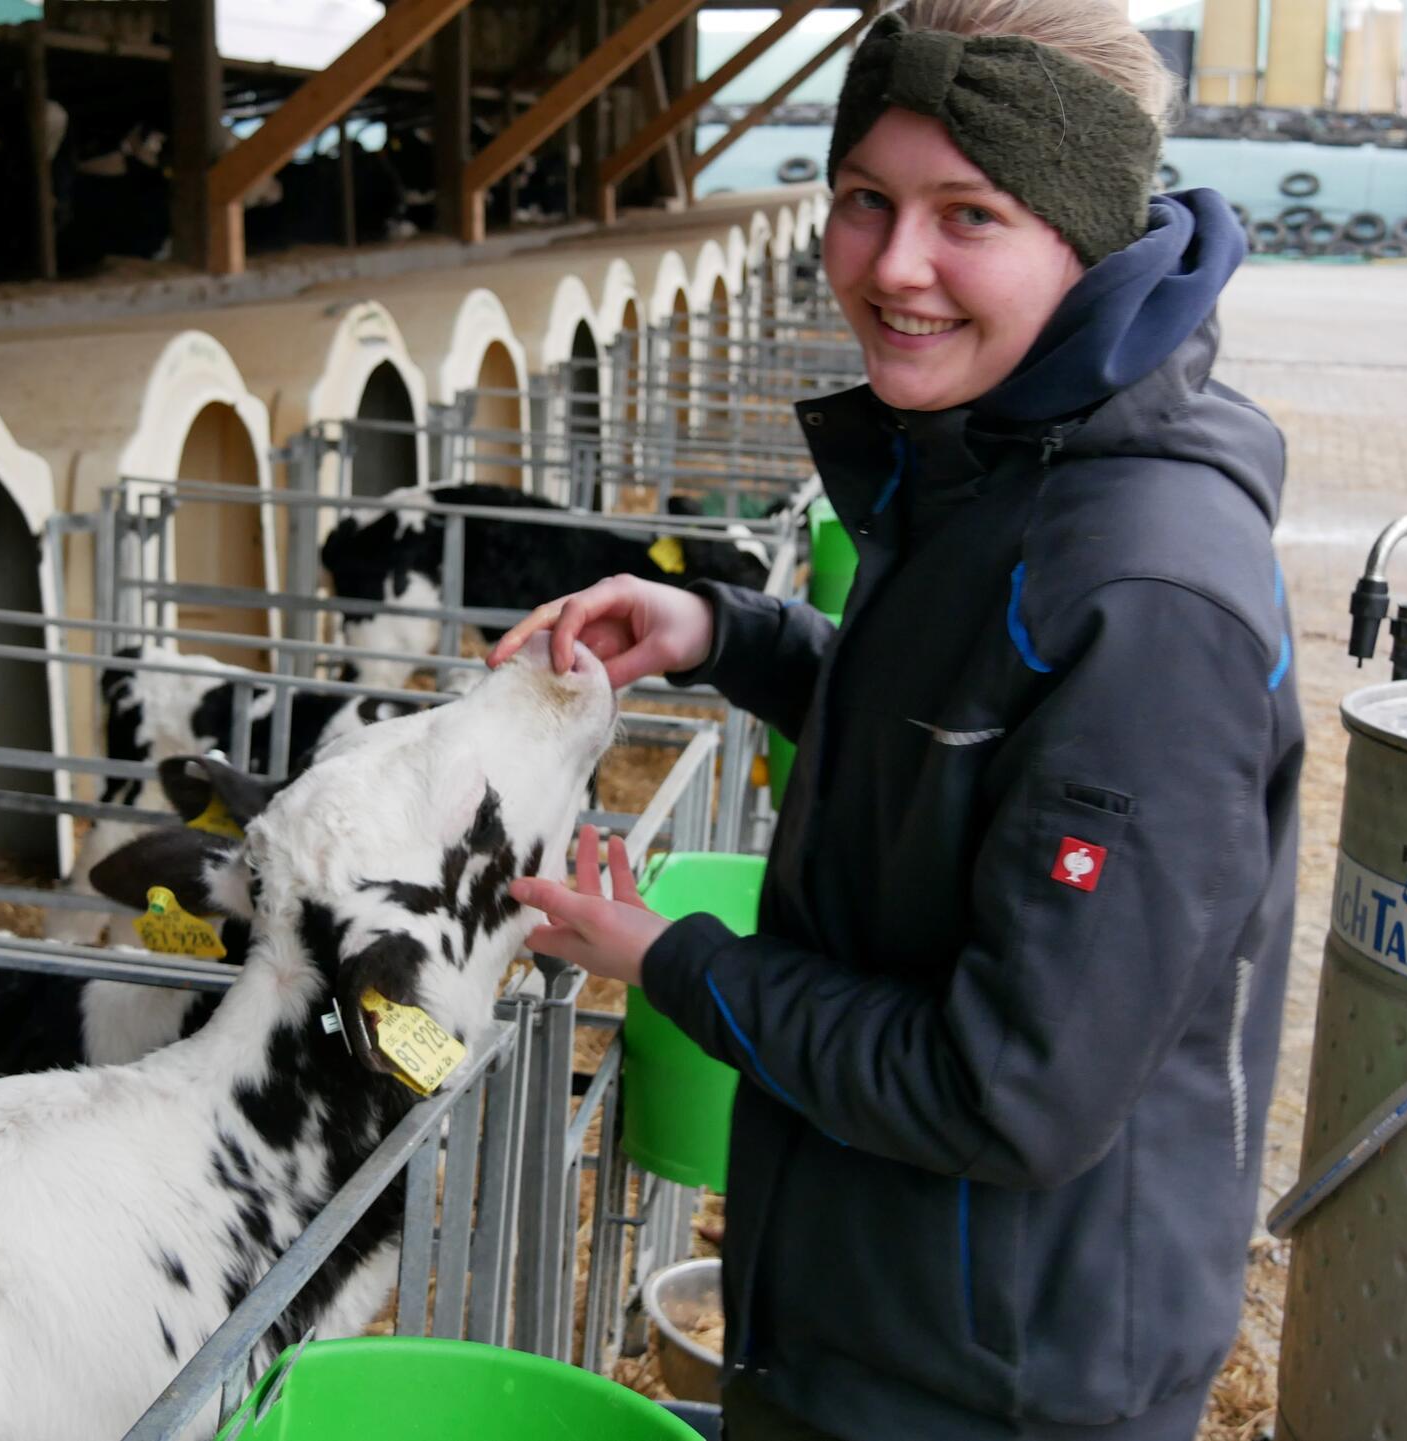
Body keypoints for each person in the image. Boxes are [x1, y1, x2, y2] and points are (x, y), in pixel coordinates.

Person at [493, 3, 1304, 1437]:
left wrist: (672, 959)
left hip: (992, 1387)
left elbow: (1006, 1096)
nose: (894, 265)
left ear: (1089, 227)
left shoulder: (1151, 598)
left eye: (969, 213)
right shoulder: (1003, 453)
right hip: (883, 1313)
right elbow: (963, 748)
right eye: (865, 199)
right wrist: (732, 637)